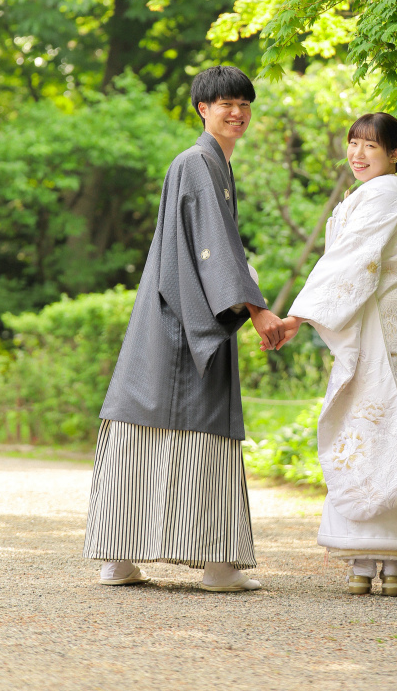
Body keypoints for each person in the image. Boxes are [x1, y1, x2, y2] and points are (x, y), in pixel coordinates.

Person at [84, 65, 285, 592]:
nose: (237, 112)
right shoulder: (198, 162)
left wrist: (248, 298)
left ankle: (118, 558)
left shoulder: (208, 163)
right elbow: (216, 251)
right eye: (225, 103)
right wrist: (255, 308)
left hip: (169, 311)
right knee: (198, 426)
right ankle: (218, 565)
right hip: (186, 317)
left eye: (244, 103)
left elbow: (216, 249)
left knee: (141, 424)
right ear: (203, 109)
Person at [277, 112, 397, 596]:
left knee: (367, 433)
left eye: (372, 148)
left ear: (396, 155)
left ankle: (364, 561)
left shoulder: (377, 205)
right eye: (354, 144)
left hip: (376, 338)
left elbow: (345, 266)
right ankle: (391, 563)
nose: (358, 155)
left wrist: (298, 316)